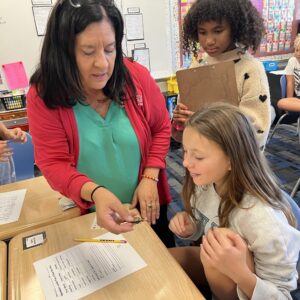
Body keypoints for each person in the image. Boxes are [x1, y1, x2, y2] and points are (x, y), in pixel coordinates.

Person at [27, 0, 175, 246]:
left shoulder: (134, 76)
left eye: (109, 49)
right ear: (63, 52)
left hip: (146, 205)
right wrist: (96, 193)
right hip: (91, 212)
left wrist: (150, 176)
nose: (103, 64)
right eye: (87, 52)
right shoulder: (45, 95)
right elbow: (53, 163)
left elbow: (161, 127)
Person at [168, 102, 300, 299]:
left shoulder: (262, 218)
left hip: (247, 285)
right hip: (219, 267)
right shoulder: (205, 182)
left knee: (222, 242)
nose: (185, 163)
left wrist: (240, 273)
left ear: (232, 159)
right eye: (185, 151)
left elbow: (282, 296)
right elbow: (206, 222)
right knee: (162, 260)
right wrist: (191, 227)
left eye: (199, 157)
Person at [172, 0, 271, 149]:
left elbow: (258, 131)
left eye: (218, 31)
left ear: (235, 28)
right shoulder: (197, 65)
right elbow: (184, 125)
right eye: (202, 32)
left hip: (235, 161)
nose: (209, 41)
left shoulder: (250, 69)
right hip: (199, 155)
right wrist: (181, 117)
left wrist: (204, 123)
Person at [278, 35, 300, 112]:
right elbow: (290, 83)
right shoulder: (292, 61)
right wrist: (289, 101)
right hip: (298, 99)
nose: (298, 53)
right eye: (296, 50)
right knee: (282, 103)